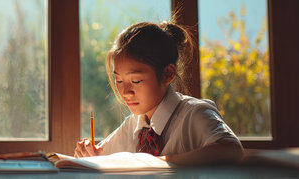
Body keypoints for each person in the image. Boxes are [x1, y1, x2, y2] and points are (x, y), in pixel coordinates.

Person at [74, 20, 244, 166]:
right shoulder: (133, 125)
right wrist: (89, 155)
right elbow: (100, 157)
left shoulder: (195, 113)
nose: (125, 92)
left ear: (168, 74)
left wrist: (160, 162)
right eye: (119, 81)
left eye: (136, 81)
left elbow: (231, 150)